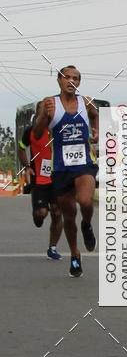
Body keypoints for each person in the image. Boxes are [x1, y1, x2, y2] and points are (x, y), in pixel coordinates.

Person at [34, 66, 98, 278]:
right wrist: (45, 116)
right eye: (67, 77)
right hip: (61, 168)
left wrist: (95, 131)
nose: (71, 81)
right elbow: (37, 132)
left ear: (79, 82)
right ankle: (74, 254)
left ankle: (87, 225)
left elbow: (95, 116)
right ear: (59, 80)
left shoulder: (85, 102)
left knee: (86, 201)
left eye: (76, 78)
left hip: (84, 163)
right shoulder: (49, 103)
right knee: (68, 216)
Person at [18, 106, 63, 259]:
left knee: (57, 213)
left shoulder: (59, 129)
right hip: (39, 179)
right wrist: (26, 167)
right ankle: (39, 211)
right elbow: (21, 148)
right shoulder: (31, 132)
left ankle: (53, 248)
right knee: (41, 215)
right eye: (43, 113)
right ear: (37, 115)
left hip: (57, 179)